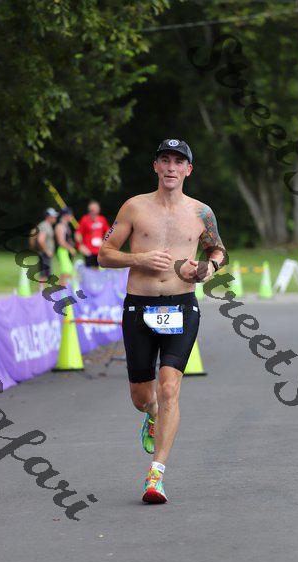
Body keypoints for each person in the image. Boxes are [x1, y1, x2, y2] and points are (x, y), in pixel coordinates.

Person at [98, 139, 226, 504]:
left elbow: (218, 250)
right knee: (143, 397)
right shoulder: (134, 207)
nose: (171, 167)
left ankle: (156, 475)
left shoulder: (202, 212)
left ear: (188, 170)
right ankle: (151, 413)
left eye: (178, 162)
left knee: (169, 387)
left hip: (182, 306)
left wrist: (208, 268)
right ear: (155, 166)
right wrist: (139, 259)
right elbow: (104, 254)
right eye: (165, 160)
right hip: (139, 307)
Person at [75, 201, 110, 268]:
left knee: (99, 269)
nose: (93, 211)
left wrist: (105, 241)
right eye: (92, 209)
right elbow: (78, 233)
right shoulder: (85, 219)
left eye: (95, 209)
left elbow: (108, 231)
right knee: (89, 270)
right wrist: (80, 245)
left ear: (98, 209)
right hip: (88, 251)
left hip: (99, 251)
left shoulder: (102, 219)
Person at [35, 208, 58, 290]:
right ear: (48, 217)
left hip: (44, 253)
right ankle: (42, 292)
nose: (55, 218)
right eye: (54, 216)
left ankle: (44, 291)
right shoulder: (45, 226)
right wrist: (47, 251)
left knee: (46, 273)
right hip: (44, 253)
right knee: (44, 273)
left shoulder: (47, 225)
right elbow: (40, 240)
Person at [55, 207, 76, 286]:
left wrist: (72, 244)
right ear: (65, 215)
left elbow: (67, 239)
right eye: (70, 215)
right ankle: (62, 290)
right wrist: (70, 248)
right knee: (66, 271)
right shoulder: (60, 226)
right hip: (62, 251)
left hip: (66, 250)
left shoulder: (66, 226)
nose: (72, 217)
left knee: (70, 272)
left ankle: (66, 290)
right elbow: (61, 242)